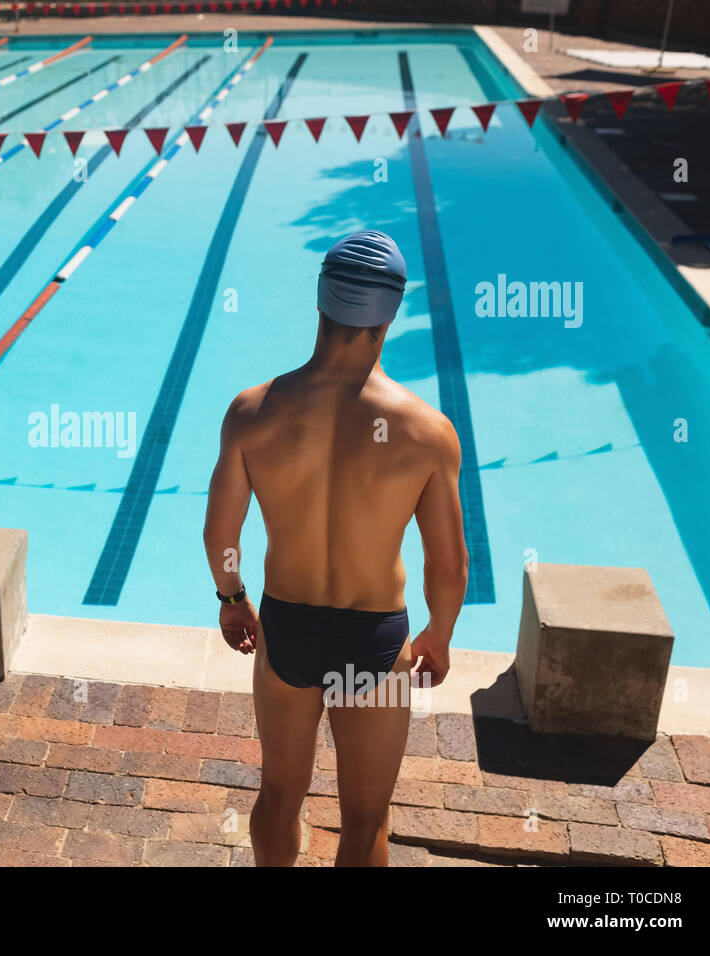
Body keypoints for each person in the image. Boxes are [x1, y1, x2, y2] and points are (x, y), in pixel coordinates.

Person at [202, 230, 469, 867]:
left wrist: (233, 600)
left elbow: (221, 537)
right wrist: (440, 633)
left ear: (320, 302)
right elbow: (449, 564)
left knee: (278, 793)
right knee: (366, 820)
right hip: (375, 639)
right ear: (391, 313)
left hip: (287, 626)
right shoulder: (426, 431)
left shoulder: (253, 411)